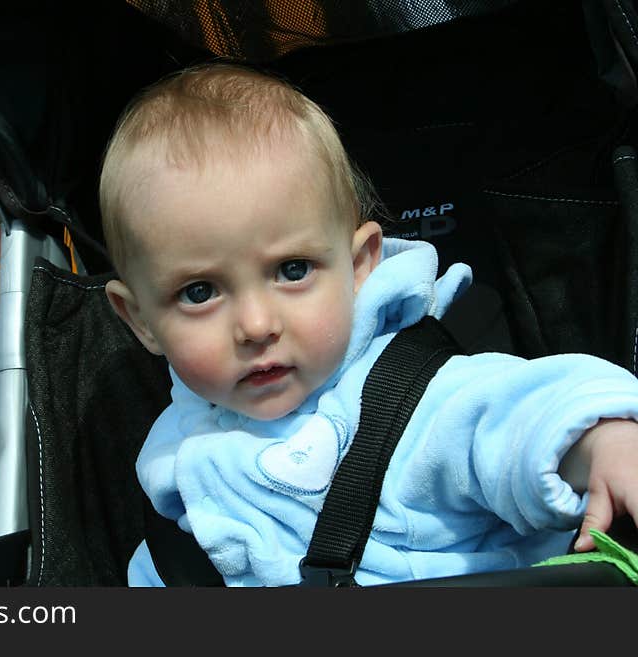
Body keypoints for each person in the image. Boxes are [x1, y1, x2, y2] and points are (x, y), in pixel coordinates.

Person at [99, 62, 638, 586]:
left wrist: (601, 441)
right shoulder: (176, 464)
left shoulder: (407, 396)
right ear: (141, 319)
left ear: (359, 267)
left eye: (292, 270)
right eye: (200, 292)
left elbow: (505, 417)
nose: (256, 325)